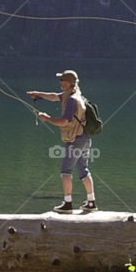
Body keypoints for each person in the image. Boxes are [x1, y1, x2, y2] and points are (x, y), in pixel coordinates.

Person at [28, 70, 97, 213]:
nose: (60, 82)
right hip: (85, 138)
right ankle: (91, 202)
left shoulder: (72, 101)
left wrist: (47, 118)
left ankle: (68, 204)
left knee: (65, 171)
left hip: (75, 140)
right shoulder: (76, 95)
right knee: (84, 170)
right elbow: (54, 97)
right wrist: (37, 93)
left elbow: (64, 122)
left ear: (68, 83)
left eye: (62, 80)